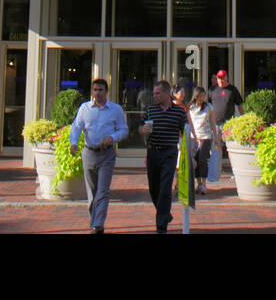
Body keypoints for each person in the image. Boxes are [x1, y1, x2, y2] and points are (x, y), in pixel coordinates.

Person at [69, 78, 128, 233]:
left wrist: (113, 138)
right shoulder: (85, 108)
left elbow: (124, 129)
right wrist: (73, 143)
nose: (97, 93)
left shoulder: (115, 109)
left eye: (100, 90)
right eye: (95, 90)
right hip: (89, 152)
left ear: (106, 92)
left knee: (102, 190)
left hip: (106, 154)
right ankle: (94, 219)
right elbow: (76, 127)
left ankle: (98, 224)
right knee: (92, 190)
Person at [140, 80, 191, 233]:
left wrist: (190, 155)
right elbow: (141, 128)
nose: (155, 96)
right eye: (154, 93)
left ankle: (161, 226)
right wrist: (143, 130)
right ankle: (165, 214)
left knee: (165, 188)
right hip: (153, 151)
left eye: (158, 93)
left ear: (167, 93)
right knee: (154, 188)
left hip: (169, 152)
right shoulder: (150, 110)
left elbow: (186, 131)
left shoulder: (179, 112)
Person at [188, 86, 221, 194]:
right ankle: (198, 183)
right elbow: (189, 123)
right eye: (200, 96)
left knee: (203, 160)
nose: (202, 98)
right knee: (195, 161)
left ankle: (204, 183)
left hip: (206, 136)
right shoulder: (191, 107)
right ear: (195, 96)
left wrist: (216, 137)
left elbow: (212, 122)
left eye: (203, 96)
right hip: (194, 137)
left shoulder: (208, 107)